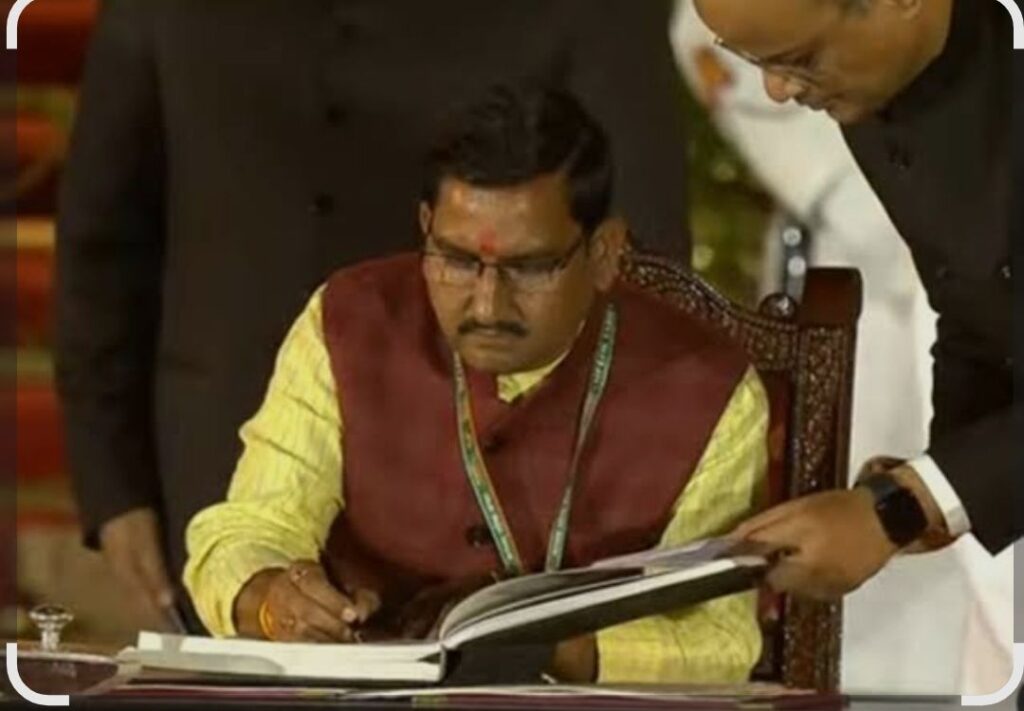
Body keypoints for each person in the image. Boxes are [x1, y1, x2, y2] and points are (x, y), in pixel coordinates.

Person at [55, 0, 693, 632]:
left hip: (498, 506)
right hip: (212, 462)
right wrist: (114, 486)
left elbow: (644, 268)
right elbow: (105, 244)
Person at [183, 84, 769, 684]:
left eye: (529, 267)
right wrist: (272, 601)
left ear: (603, 252)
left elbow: (720, 637)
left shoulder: (707, 388)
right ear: (426, 228)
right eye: (458, 261)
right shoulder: (349, 320)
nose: (487, 305)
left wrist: (554, 648)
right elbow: (251, 528)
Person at [691, 0, 1015, 599]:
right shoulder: (874, 95)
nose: (777, 91)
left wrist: (909, 504)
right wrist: (927, 483)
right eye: (752, 61)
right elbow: (972, 297)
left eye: (801, 59)